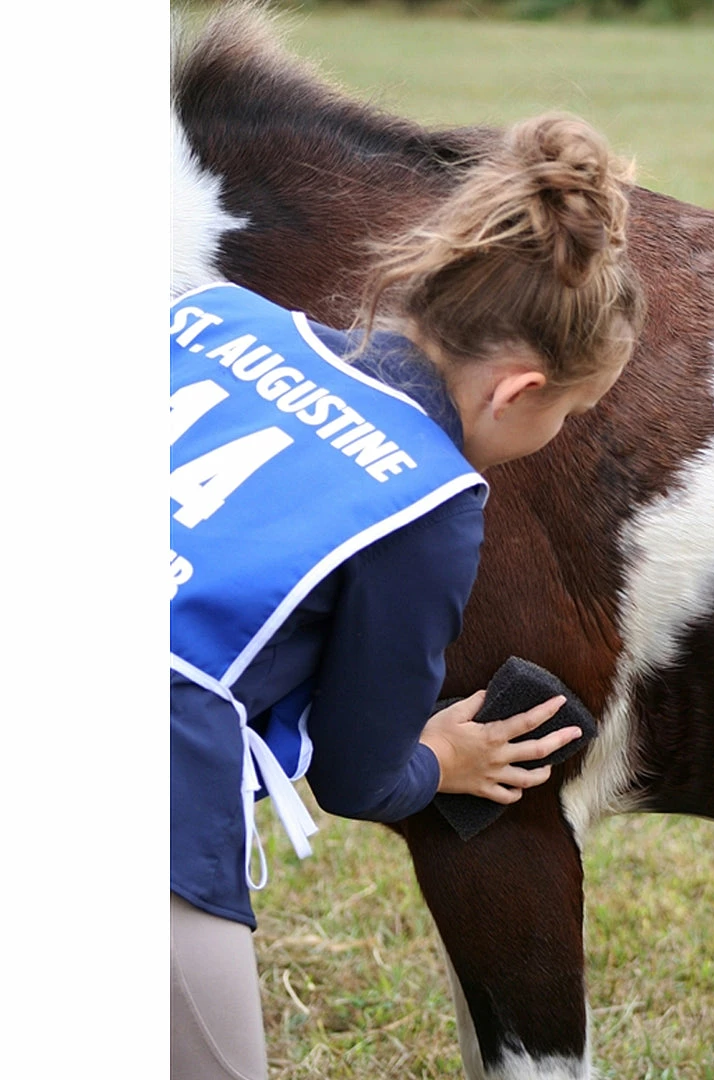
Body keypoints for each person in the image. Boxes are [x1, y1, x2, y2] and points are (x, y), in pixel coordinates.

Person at [170, 112, 645, 1080]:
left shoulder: (216, 316)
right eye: (568, 412)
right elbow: (357, 778)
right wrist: (438, 759)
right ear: (516, 393)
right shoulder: (430, 503)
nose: (556, 433)